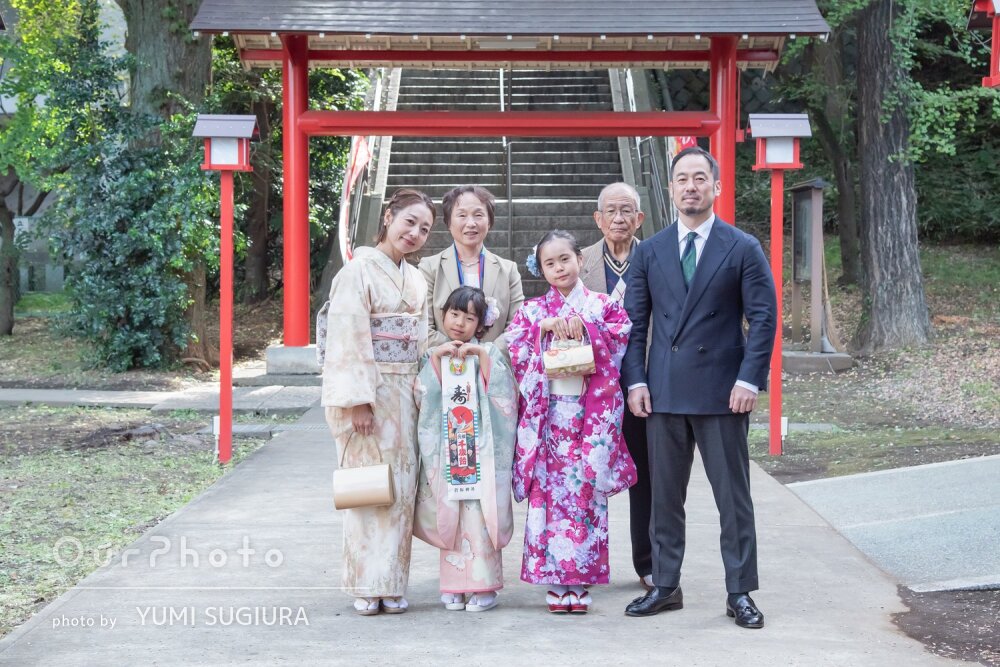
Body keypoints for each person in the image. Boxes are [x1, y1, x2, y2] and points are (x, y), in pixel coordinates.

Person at [621, 147, 777, 628]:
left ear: (716, 186)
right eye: (682, 179)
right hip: (663, 391)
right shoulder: (650, 251)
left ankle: (740, 591)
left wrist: (750, 378)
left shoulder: (741, 246)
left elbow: (764, 317)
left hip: (723, 392)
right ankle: (665, 585)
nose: (690, 186)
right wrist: (636, 380)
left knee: (733, 497)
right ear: (670, 189)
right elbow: (633, 325)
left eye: (699, 178)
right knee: (665, 494)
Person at [505, 230, 636, 614]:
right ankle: (554, 580)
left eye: (565, 259)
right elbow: (515, 348)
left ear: (580, 260)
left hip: (590, 416)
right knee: (548, 497)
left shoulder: (603, 305)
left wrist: (586, 328)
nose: (559, 268)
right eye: (550, 262)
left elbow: (620, 338)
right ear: (540, 269)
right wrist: (542, 329)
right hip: (548, 418)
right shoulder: (532, 311)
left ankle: (581, 578)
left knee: (585, 493)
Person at [320, 188, 436, 616]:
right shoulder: (359, 272)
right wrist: (356, 401)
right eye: (409, 221)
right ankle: (366, 584)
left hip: (405, 392)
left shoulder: (415, 277)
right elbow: (348, 336)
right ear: (389, 216)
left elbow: (420, 338)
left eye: (424, 228)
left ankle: (392, 581)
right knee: (369, 487)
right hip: (369, 393)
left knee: (402, 488)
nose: (416, 233)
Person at [412, 286, 518, 613]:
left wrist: (484, 359)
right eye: (454, 314)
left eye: (469, 317)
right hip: (451, 449)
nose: (459, 323)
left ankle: (483, 586)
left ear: (481, 324)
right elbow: (423, 398)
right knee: (453, 514)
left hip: (481, 451)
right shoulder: (434, 355)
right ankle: (455, 586)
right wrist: (435, 363)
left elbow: (505, 399)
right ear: (443, 315)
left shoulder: (490, 353)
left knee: (479, 515)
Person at [579, 182, 653, 592]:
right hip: (592, 391)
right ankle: (582, 562)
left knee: (647, 474)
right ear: (598, 218)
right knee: (586, 475)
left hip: (644, 384)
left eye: (627, 211)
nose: (619, 218)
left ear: (639, 218)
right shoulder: (580, 261)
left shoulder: (655, 255)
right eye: (611, 211)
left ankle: (648, 562)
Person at [418, 185, 525, 349]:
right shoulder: (430, 268)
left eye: (478, 215)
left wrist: (486, 353)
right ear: (448, 222)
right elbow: (423, 324)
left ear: (489, 221)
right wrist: (457, 353)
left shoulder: (508, 270)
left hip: (493, 366)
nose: (471, 223)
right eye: (461, 215)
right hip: (444, 366)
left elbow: (517, 325)